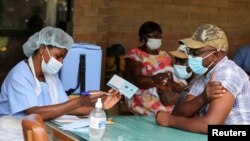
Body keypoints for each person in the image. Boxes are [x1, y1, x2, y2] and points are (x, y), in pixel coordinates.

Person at [0, 27, 121, 120]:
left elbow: (64, 108)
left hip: (38, 128)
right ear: (43, 49)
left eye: (63, 58)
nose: (61, 62)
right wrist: (80, 100)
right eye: (58, 56)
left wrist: (100, 106)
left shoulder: (50, 76)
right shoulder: (20, 76)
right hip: (13, 131)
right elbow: (34, 114)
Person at [156, 24, 250, 134]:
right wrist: (202, 98)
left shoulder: (228, 73)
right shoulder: (203, 75)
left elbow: (211, 126)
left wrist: (170, 121)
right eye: (190, 51)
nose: (191, 56)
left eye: (196, 53)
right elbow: (179, 113)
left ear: (215, 55)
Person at [124, 21, 184, 115]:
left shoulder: (164, 55)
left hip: (165, 95)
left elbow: (172, 75)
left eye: (159, 36)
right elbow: (137, 80)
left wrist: (173, 83)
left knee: (178, 109)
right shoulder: (136, 54)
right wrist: (160, 79)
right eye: (154, 36)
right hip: (142, 95)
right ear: (144, 37)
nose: (158, 39)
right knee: (162, 112)